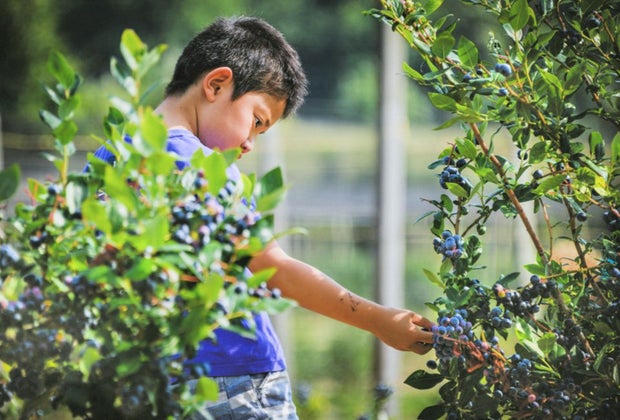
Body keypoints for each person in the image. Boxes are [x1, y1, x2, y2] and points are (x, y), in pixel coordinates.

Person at [93, 16, 434, 419]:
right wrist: (378, 319)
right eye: (256, 122)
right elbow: (274, 269)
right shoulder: (201, 166)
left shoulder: (111, 156)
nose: (250, 145)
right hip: (234, 383)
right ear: (216, 84)